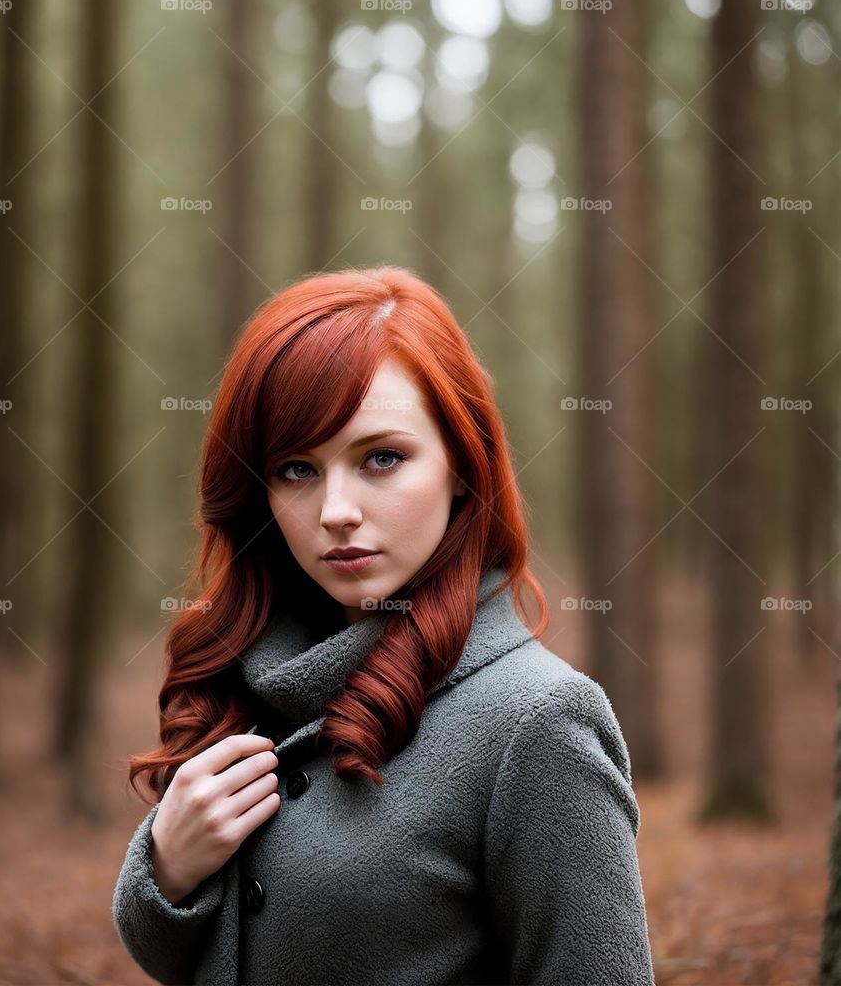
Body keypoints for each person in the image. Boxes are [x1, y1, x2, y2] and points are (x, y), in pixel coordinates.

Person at [111, 264, 656, 986]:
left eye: (382, 458)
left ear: (461, 465)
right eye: (297, 469)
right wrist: (167, 869)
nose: (336, 511)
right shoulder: (251, 685)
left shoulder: (539, 722)